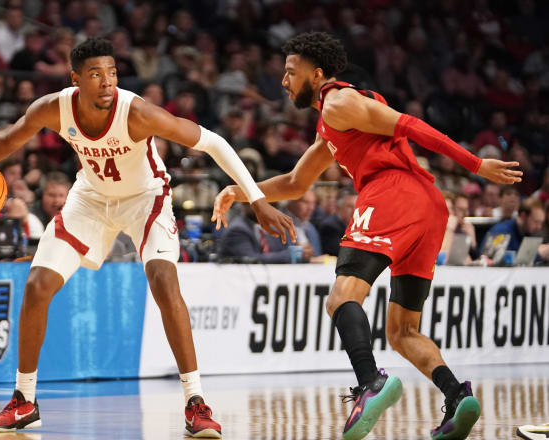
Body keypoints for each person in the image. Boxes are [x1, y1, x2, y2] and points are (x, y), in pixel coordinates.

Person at [0, 38, 294, 437]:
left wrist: (256, 198)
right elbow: (8, 140)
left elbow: (213, 142)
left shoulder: (136, 112)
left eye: (112, 73)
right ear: (75, 80)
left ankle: (196, 403)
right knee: (37, 286)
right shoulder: (54, 108)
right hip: (89, 199)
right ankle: (24, 400)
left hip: (146, 199)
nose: (107, 82)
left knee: (163, 280)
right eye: (95, 74)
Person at [212, 32, 522, 440]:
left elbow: (412, 125)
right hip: (427, 208)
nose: (284, 81)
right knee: (401, 330)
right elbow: (295, 181)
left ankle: (370, 384)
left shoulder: (341, 101)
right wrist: (242, 190)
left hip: (394, 194)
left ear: (317, 73)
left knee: (341, 297)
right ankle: (455, 393)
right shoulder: (333, 122)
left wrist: (475, 163)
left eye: (291, 72)